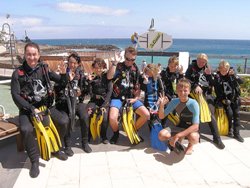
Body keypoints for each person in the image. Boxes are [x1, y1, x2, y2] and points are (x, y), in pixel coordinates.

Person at [11, 42, 68, 178]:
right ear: (25, 55)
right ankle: (34, 161)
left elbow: (61, 80)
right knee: (26, 130)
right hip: (27, 108)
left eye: (34, 54)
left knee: (64, 121)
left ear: (39, 55)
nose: (32, 57)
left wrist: (65, 75)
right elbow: (15, 95)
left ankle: (55, 148)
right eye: (29, 55)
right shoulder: (18, 73)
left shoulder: (44, 69)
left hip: (45, 106)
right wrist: (31, 109)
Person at [109, 46, 150, 144]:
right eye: (127, 59)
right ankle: (116, 133)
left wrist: (136, 98)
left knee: (146, 115)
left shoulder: (135, 68)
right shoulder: (118, 66)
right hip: (118, 97)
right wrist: (114, 63)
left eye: (132, 60)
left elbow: (139, 86)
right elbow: (109, 76)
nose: (129, 62)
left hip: (131, 98)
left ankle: (132, 130)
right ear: (124, 56)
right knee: (112, 117)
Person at [185, 53, 225, 149]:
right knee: (196, 114)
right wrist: (195, 86)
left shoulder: (207, 68)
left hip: (206, 95)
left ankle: (217, 138)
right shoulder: (191, 68)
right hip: (194, 95)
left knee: (210, 115)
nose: (201, 63)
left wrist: (209, 75)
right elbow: (186, 79)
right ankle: (196, 136)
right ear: (197, 60)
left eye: (203, 62)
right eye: (199, 61)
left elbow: (213, 83)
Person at [158, 78, 200, 155]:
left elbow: (196, 126)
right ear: (176, 91)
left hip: (191, 129)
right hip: (180, 126)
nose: (182, 93)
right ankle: (175, 140)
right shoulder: (174, 102)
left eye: (185, 91)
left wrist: (178, 135)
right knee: (161, 135)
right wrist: (161, 106)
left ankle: (190, 145)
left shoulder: (193, 104)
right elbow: (161, 116)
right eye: (180, 91)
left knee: (194, 138)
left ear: (189, 91)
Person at [51, 52, 79, 157]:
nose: (72, 65)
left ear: (77, 64)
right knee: (67, 118)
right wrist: (64, 77)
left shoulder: (78, 74)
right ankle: (66, 144)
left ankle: (69, 143)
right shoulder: (61, 73)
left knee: (72, 115)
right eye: (70, 62)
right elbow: (57, 88)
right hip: (62, 103)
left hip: (73, 103)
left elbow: (82, 89)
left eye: (75, 63)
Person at [83, 58, 113, 145]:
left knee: (104, 117)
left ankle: (104, 136)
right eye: (96, 68)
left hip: (105, 101)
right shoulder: (91, 77)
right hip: (94, 100)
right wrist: (88, 82)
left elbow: (109, 91)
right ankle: (89, 134)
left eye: (100, 67)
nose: (98, 70)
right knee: (87, 113)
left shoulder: (107, 77)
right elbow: (89, 93)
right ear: (93, 68)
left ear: (103, 67)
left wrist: (104, 105)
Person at [214, 60, 244, 142]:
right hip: (225, 100)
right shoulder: (217, 77)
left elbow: (241, 81)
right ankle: (229, 128)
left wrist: (234, 75)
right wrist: (223, 100)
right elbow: (217, 91)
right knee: (230, 114)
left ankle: (237, 133)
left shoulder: (232, 74)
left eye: (225, 70)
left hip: (235, 98)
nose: (224, 72)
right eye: (222, 70)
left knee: (237, 115)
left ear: (228, 69)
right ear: (219, 69)